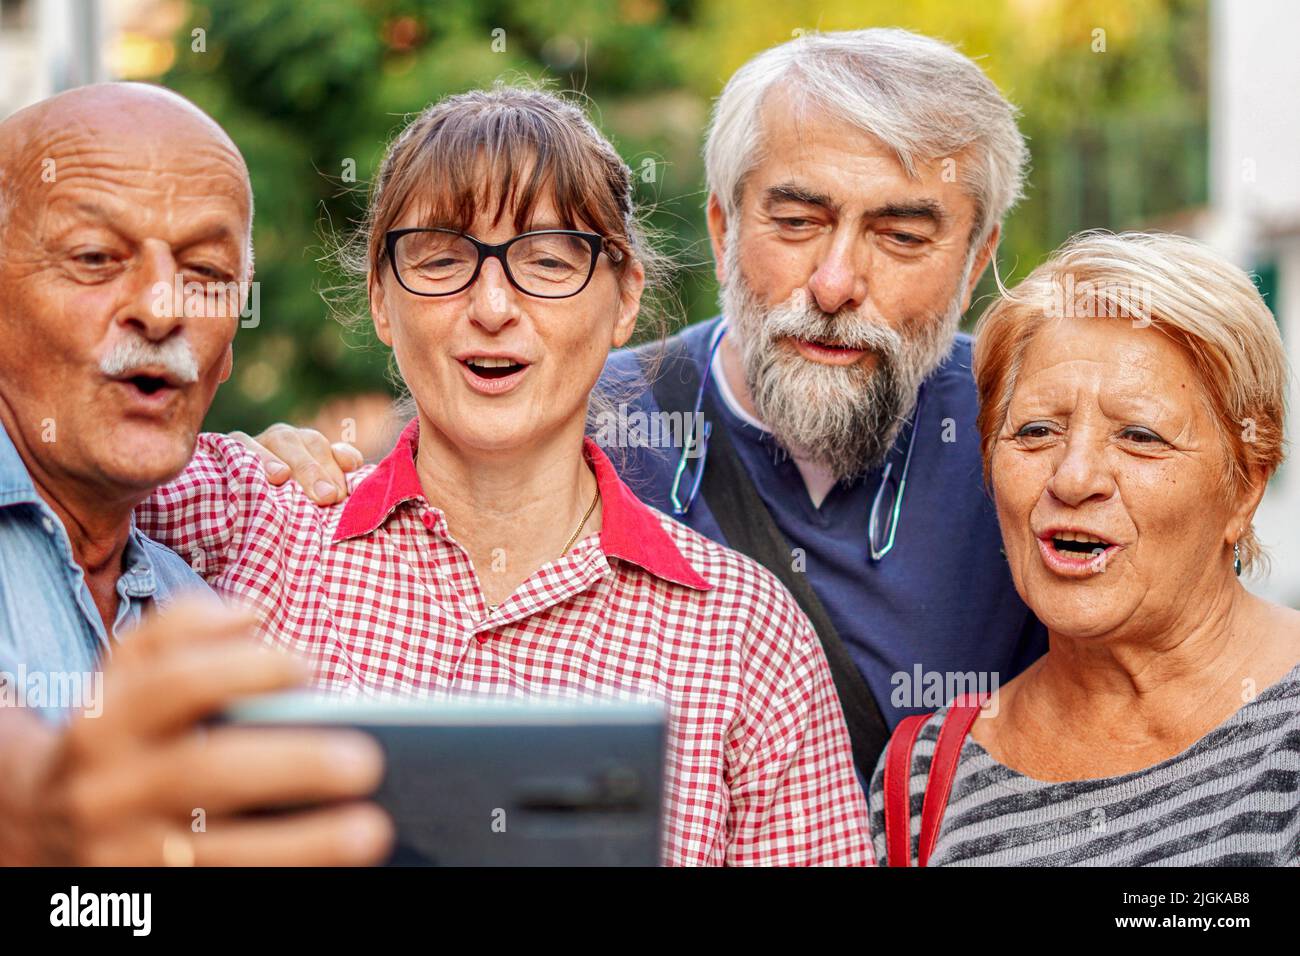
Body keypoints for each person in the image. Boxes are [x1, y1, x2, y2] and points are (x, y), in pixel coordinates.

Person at [248, 28, 1048, 778]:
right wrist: (282, 474)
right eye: (798, 221)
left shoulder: (1040, 450)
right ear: (723, 228)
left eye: (902, 236)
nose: (836, 283)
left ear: (978, 257)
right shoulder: (558, 411)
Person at [136, 84, 872, 866]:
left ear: (623, 299)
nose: (492, 305)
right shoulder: (246, 517)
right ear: (382, 299)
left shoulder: (745, 637)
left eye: (548, 260)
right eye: (443, 258)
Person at [0, 83, 391, 865]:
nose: (159, 306)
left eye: (207, 271)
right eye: (94, 258)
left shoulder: (192, 594)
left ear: (227, 357)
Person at [869, 232, 1300, 865]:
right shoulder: (927, 775)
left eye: (1140, 437)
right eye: (1036, 430)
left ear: (1244, 489)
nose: (1073, 479)